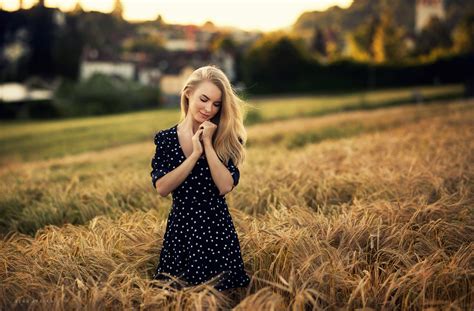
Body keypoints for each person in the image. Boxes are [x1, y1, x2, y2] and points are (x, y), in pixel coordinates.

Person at [150, 65, 251, 293]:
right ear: (188, 93)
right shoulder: (166, 140)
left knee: (218, 299)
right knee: (177, 297)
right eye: (204, 99)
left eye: (216, 104)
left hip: (216, 230)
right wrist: (194, 155)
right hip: (181, 230)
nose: (208, 109)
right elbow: (162, 187)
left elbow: (225, 185)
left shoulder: (226, 139)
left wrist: (207, 145)